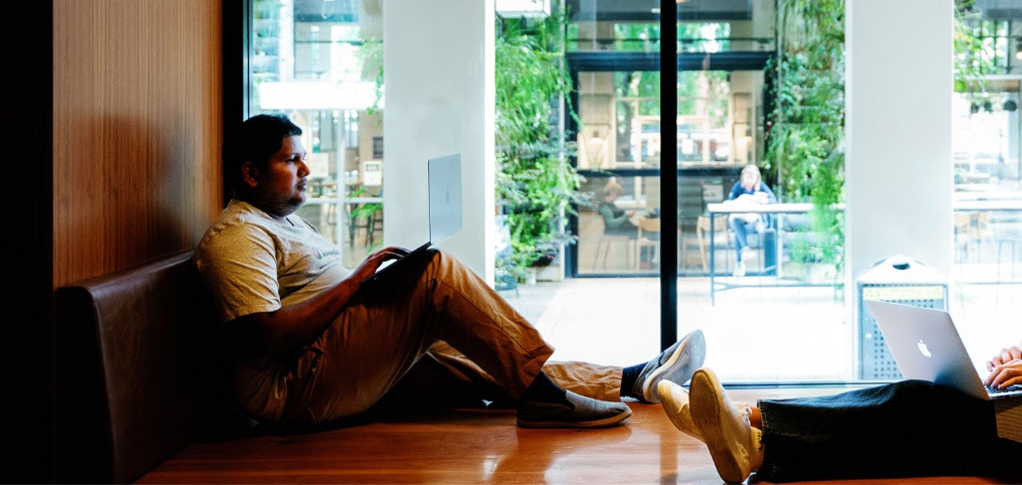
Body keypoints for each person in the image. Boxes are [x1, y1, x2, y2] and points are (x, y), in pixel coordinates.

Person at [657, 108, 1022, 482]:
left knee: (918, 411)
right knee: (917, 404)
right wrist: (1021, 354)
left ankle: (754, 429)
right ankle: (753, 430)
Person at [195, 114, 707, 429]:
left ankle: (636, 379)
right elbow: (261, 340)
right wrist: (358, 282)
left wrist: (371, 286)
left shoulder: (283, 221)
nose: (306, 170)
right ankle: (545, 401)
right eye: (292, 161)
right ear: (250, 173)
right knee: (435, 273)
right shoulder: (239, 235)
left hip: (326, 361)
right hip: (295, 389)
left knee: (474, 354)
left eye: (303, 159)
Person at [726, 164, 776, 277]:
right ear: (743, 178)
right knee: (735, 222)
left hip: (756, 223)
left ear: (757, 178)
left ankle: (741, 259)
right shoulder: (738, 187)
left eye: (752, 178)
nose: (749, 180)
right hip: (740, 221)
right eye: (747, 177)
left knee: (738, 234)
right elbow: (730, 201)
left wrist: (762, 200)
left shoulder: (761, 187)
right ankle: (745, 249)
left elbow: (773, 199)